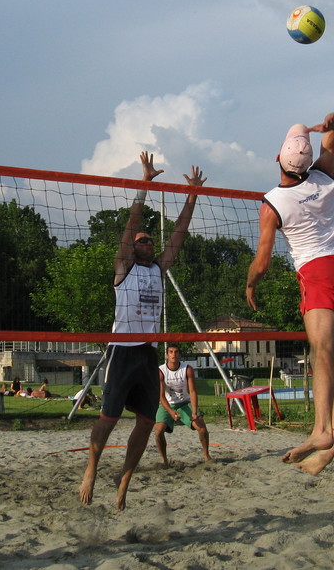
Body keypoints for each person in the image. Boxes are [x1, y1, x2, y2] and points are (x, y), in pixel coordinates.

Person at [79, 151, 205, 509]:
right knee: (109, 417)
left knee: (148, 421)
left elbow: (179, 233)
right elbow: (132, 222)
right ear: (132, 247)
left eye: (150, 240)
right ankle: (91, 468)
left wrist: (192, 194)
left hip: (146, 353)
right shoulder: (124, 268)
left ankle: (125, 478)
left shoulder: (158, 269)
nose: (145, 242)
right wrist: (144, 185)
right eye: (141, 240)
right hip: (121, 351)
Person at [245, 112, 334, 476]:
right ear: (308, 160)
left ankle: (320, 431)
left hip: (318, 273)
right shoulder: (324, 175)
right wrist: (333, 122)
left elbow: (262, 262)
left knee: (321, 353)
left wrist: (250, 282)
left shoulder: (272, 203)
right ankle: (328, 449)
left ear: (277, 160)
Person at [154, 343, 211, 465]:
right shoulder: (161, 371)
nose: (173, 354)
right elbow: (161, 396)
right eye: (171, 352)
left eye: (176, 352)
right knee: (158, 432)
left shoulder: (187, 369)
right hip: (167, 404)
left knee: (202, 428)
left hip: (185, 403)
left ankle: (206, 455)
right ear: (167, 355)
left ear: (180, 355)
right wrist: (170, 411)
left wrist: (195, 412)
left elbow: (193, 391)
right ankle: (164, 460)